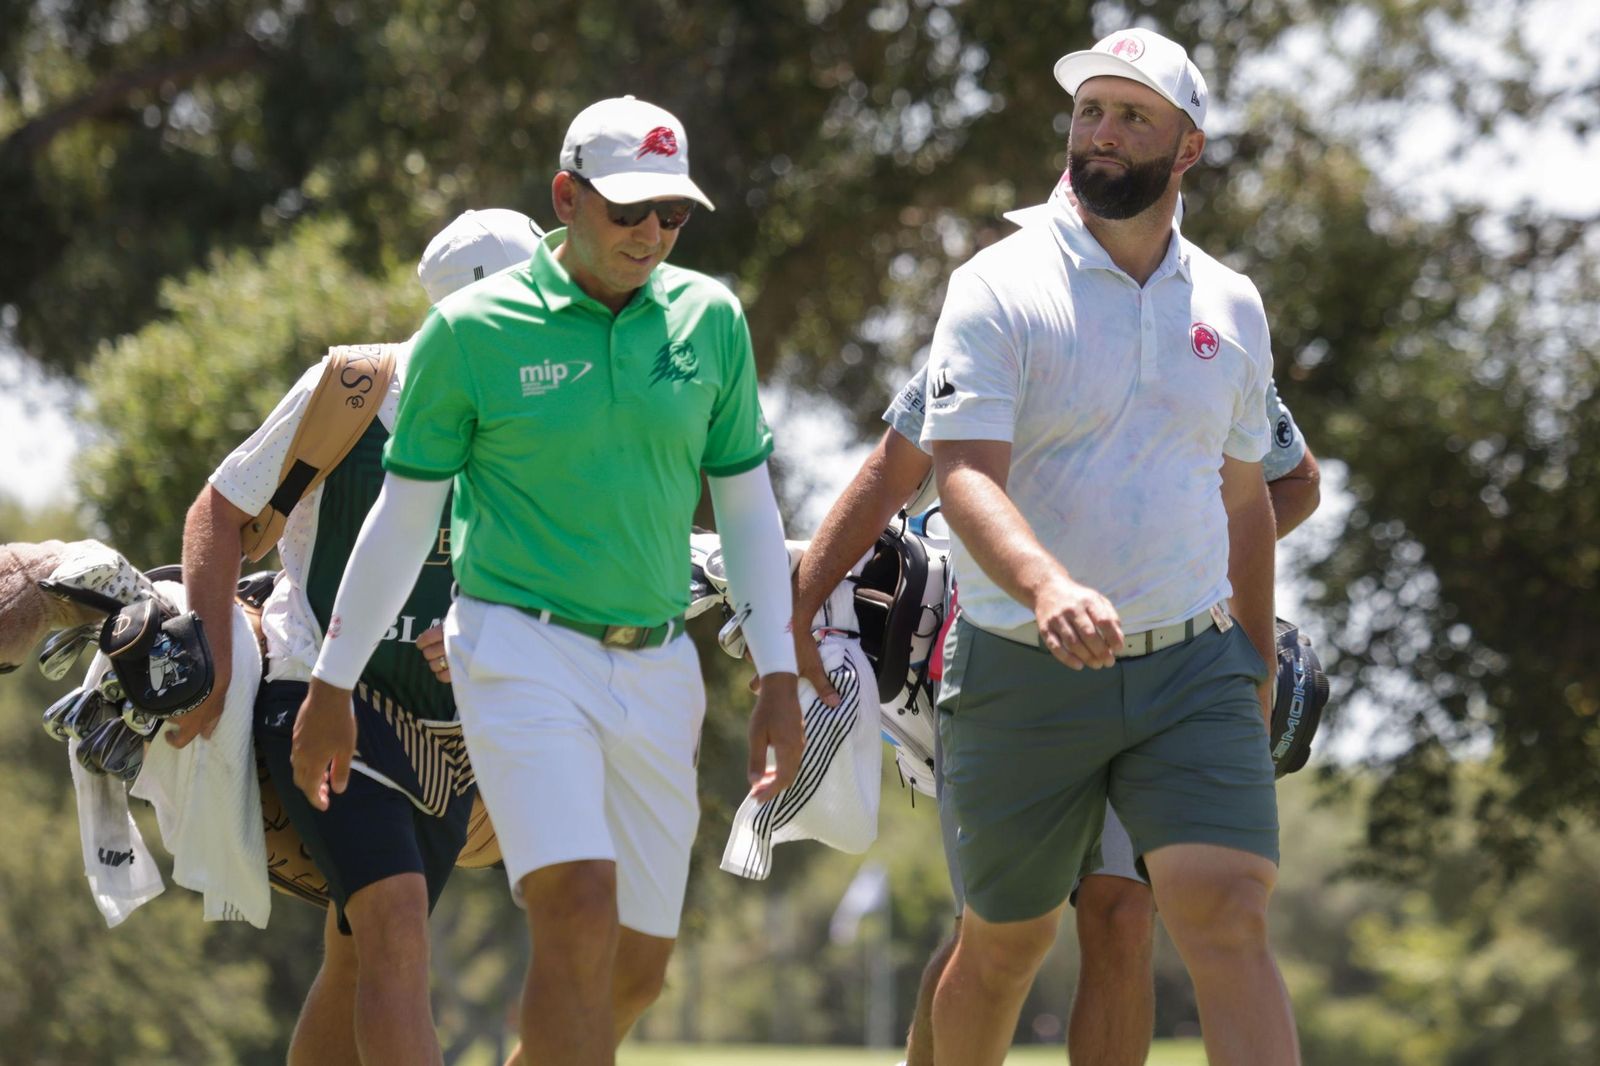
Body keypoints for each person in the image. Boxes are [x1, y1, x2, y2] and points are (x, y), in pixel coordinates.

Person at [291, 96, 804, 1066]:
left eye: (673, 214)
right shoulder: (472, 332)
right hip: (517, 646)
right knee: (576, 906)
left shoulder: (710, 321)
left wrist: (778, 673)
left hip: (657, 665)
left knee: (637, 969)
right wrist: (330, 682)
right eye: (628, 210)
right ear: (566, 196)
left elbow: (745, 509)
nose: (651, 233)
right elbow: (402, 521)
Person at [917, 28, 1301, 1064]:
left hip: (1191, 668)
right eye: (1090, 111)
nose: (1103, 133)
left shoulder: (1230, 303)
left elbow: (1246, 498)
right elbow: (961, 474)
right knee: (1004, 944)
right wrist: (1044, 584)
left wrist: (1252, 666)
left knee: (1224, 911)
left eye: (1133, 116)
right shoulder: (996, 284)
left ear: (1186, 149)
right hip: (1018, 663)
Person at [794, 348, 1316, 1066]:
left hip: (1154, 665)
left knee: (1123, 912)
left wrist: (1180, 569)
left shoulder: (1206, 321)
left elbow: (1294, 481)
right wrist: (797, 611)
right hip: (1001, 662)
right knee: (995, 931)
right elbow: (895, 466)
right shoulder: (998, 304)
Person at [177, 207, 545, 1066]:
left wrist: (490, 635)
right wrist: (216, 667)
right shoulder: (350, 391)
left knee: (355, 955)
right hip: (314, 696)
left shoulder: (531, 423)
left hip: (449, 735)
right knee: (394, 925)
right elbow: (220, 511)